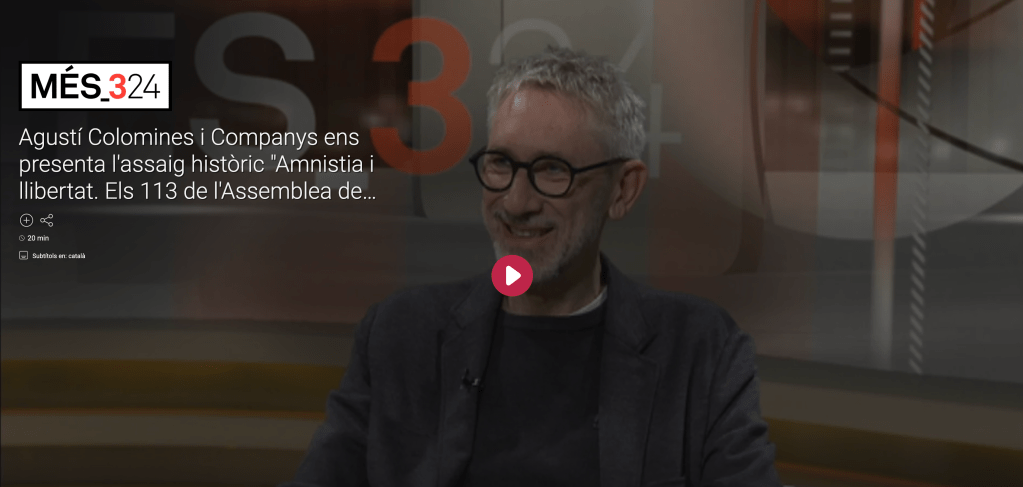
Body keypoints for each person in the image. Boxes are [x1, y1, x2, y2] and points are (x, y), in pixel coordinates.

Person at [285, 46, 780, 487]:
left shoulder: (701, 350)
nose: (516, 202)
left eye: (553, 170)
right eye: (501, 163)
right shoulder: (399, 335)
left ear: (623, 190)